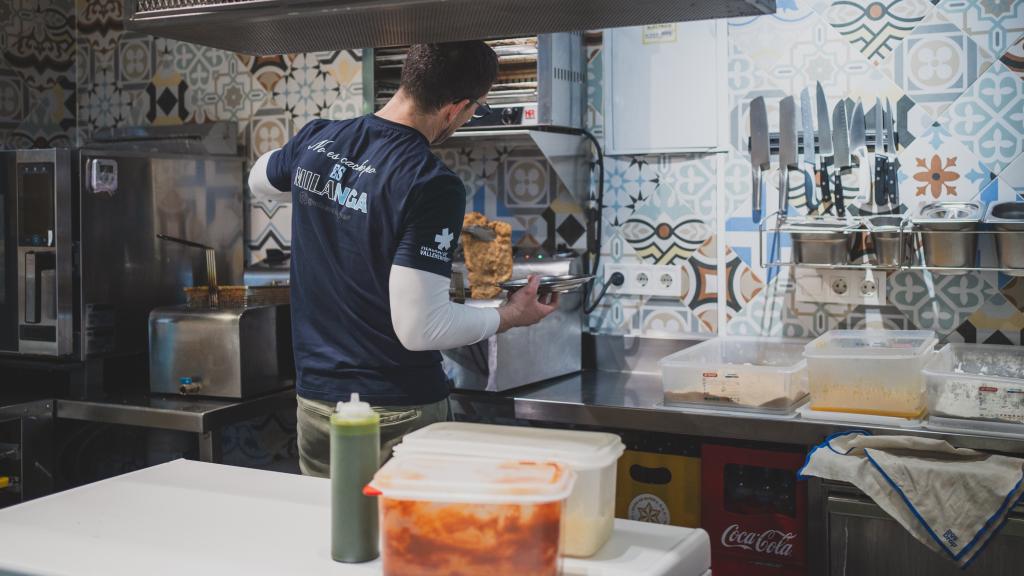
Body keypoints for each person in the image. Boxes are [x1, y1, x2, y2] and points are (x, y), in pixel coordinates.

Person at [248, 41, 559, 477]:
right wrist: (508, 316)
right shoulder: (431, 183)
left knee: (335, 535)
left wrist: (318, 182)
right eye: (475, 111)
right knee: (406, 543)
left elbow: (259, 181)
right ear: (456, 108)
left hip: (316, 403)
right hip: (395, 412)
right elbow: (421, 328)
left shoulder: (317, 139)